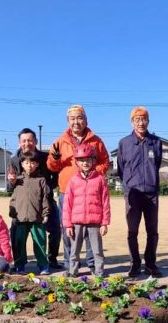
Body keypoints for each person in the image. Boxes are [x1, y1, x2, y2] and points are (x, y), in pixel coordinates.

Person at [47, 104, 110, 273]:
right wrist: (54, 157)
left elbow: (105, 162)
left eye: (79, 117)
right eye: (73, 118)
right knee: (69, 230)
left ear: (86, 120)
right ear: (68, 121)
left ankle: (92, 264)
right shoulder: (60, 141)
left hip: (91, 191)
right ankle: (70, 264)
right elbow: (52, 167)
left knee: (92, 231)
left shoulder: (96, 140)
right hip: (67, 190)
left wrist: (94, 174)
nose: (76, 121)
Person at [116, 106, 163, 278]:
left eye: (144, 119)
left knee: (152, 231)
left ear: (148, 121)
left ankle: (151, 264)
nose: (141, 123)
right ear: (132, 122)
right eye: (137, 120)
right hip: (133, 194)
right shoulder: (124, 143)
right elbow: (121, 169)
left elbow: (156, 163)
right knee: (132, 231)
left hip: (151, 193)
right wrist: (129, 184)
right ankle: (134, 264)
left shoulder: (156, 142)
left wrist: (150, 181)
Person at [6, 128, 62, 269]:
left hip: (45, 199)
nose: (27, 143)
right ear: (19, 143)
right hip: (22, 204)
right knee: (15, 232)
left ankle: (52, 259)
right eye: (24, 141)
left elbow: (55, 176)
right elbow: (10, 187)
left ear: (35, 141)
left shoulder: (45, 157)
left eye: (30, 140)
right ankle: (18, 262)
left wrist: (44, 188)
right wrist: (11, 182)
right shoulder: (13, 160)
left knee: (55, 229)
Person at [62, 144, 111, 277]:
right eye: (82, 160)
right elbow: (67, 204)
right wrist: (68, 225)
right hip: (76, 222)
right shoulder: (73, 181)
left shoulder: (100, 180)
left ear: (94, 161)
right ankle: (72, 271)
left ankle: (99, 270)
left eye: (89, 159)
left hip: (95, 222)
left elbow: (105, 202)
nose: (85, 163)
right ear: (77, 162)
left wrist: (104, 223)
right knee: (75, 249)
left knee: (97, 249)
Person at [8, 152, 51, 274]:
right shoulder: (17, 180)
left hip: (37, 218)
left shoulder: (41, 180)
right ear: (22, 164)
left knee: (40, 243)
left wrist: (45, 214)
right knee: (19, 243)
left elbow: (44, 198)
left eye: (32, 162)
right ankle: (20, 265)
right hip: (20, 218)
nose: (29, 165)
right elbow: (13, 197)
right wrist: (12, 212)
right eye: (26, 162)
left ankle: (43, 265)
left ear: (37, 164)